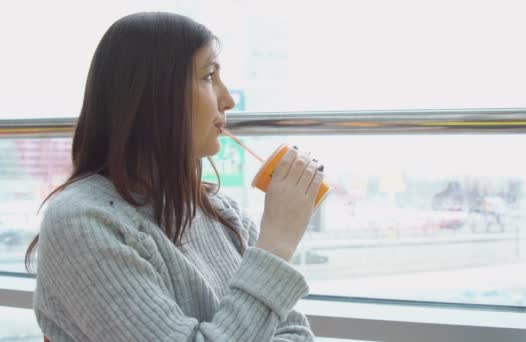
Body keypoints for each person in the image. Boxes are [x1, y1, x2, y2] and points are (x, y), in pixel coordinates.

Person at [24, 12, 324, 341]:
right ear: (153, 95)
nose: (229, 100)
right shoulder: (82, 222)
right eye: (209, 76)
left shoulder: (224, 213)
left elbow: (295, 333)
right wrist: (276, 243)